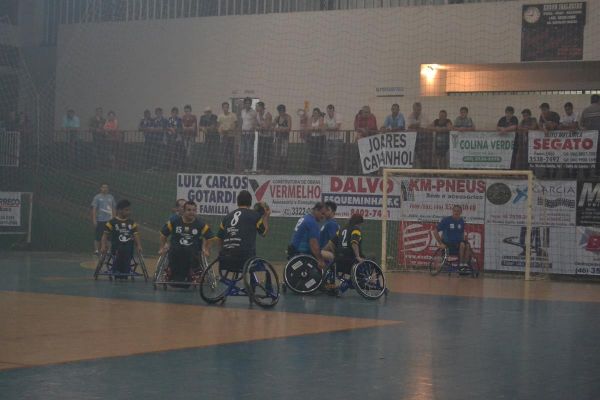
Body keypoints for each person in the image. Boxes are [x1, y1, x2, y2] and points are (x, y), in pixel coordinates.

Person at [159, 201, 214, 284]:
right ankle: (171, 272)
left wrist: (206, 250)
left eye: (194, 210)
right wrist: (162, 247)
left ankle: (193, 272)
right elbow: (163, 234)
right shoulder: (174, 222)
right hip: (176, 250)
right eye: (189, 210)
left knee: (192, 252)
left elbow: (210, 238)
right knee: (174, 251)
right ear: (184, 211)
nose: (191, 212)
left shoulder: (201, 224)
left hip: (192, 251)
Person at [217, 190, 270, 272]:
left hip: (225, 260)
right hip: (245, 259)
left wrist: (222, 253)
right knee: (264, 268)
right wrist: (266, 216)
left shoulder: (226, 217)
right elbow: (264, 233)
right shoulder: (255, 215)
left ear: (237, 202)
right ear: (250, 202)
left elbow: (219, 238)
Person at [100, 199, 142, 278]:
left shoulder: (132, 223)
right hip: (116, 248)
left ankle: (126, 269)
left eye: (129, 210)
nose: (129, 212)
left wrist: (139, 246)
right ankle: (116, 269)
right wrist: (103, 246)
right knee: (120, 249)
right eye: (127, 210)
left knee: (127, 248)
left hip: (128, 249)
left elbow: (136, 235)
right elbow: (104, 236)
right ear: (119, 210)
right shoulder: (112, 222)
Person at [288, 202, 327, 269]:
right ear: (316, 210)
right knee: (329, 257)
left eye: (325, 215)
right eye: (322, 213)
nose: (323, 217)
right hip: (301, 254)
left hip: (293, 251)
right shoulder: (311, 222)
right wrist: (320, 260)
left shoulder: (305, 218)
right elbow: (313, 244)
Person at [432, 205, 470, 269]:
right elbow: (435, 231)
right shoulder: (446, 220)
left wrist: (465, 239)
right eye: (455, 211)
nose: (456, 212)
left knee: (467, 245)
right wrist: (441, 243)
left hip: (458, 245)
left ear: (461, 212)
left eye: (458, 211)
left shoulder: (461, 221)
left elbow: (462, 232)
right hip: (448, 245)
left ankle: (465, 265)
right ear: (452, 211)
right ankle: (461, 265)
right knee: (462, 244)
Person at [91, 183, 116, 255]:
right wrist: (94, 220)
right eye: (103, 187)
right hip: (100, 220)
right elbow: (94, 209)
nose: (105, 189)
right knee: (98, 236)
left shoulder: (111, 197)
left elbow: (113, 208)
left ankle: (109, 251)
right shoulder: (97, 197)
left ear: (108, 189)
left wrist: (114, 219)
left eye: (106, 187)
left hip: (109, 221)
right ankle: (96, 251)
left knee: (109, 237)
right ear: (101, 188)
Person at [408, 102, 432, 169]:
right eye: (416, 109)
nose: (417, 111)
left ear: (420, 109)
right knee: (414, 156)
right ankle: (415, 170)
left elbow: (425, 126)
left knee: (424, 156)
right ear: (413, 109)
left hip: (424, 139)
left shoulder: (424, 116)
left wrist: (414, 126)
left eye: (419, 109)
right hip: (413, 139)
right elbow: (409, 127)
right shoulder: (410, 116)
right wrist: (416, 126)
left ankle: (425, 171)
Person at [323, 104, 344, 173]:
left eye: (331, 111)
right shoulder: (325, 116)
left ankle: (336, 170)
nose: (329, 113)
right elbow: (325, 127)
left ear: (333, 110)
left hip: (337, 138)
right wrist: (332, 128)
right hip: (328, 138)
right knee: (329, 155)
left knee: (336, 155)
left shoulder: (338, 116)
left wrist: (329, 128)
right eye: (328, 111)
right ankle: (332, 168)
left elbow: (337, 128)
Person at [218, 101, 238, 171]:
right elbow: (218, 126)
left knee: (231, 152)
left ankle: (231, 167)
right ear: (222, 108)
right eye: (224, 107)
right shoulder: (220, 116)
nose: (225, 108)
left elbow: (236, 125)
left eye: (227, 107)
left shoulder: (233, 115)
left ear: (228, 107)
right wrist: (221, 131)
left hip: (231, 136)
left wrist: (230, 129)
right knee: (224, 152)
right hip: (224, 136)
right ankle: (224, 168)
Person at [240, 97, 257, 171]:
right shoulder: (242, 111)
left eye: (249, 103)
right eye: (246, 103)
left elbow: (255, 123)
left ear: (251, 104)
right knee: (243, 151)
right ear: (244, 104)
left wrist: (252, 129)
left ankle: (249, 167)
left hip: (250, 134)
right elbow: (242, 121)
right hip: (243, 133)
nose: (247, 104)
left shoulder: (253, 112)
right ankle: (244, 167)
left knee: (249, 151)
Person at [256, 102, 273, 172]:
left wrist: (259, 127)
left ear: (261, 107)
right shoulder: (257, 115)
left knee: (267, 153)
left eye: (257, 106)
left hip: (268, 137)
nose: (256, 108)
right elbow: (255, 126)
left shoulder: (267, 114)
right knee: (261, 152)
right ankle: (261, 168)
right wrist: (260, 127)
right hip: (261, 136)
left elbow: (267, 127)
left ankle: (267, 168)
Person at [273, 104, 291, 172]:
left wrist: (280, 128)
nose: (281, 112)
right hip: (278, 137)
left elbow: (289, 128)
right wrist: (277, 128)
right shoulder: (277, 117)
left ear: (284, 110)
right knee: (277, 152)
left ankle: (283, 169)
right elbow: (273, 126)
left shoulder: (288, 117)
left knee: (284, 153)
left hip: (285, 137)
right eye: (279, 111)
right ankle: (278, 168)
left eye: (282, 111)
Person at [307, 107, 325, 173]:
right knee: (312, 153)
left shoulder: (321, 118)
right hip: (312, 138)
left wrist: (313, 128)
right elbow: (308, 128)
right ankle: (311, 169)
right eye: (314, 113)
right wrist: (315, 128)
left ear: (319, 113)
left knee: (318, 153)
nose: (315, 114)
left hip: (319, 138)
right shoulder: (310, 119)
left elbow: (321, 128)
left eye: (316, 113)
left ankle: (318, 169)